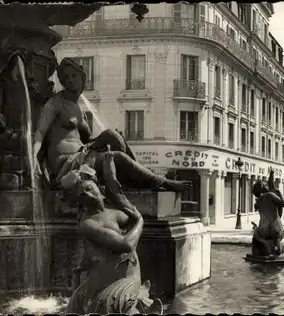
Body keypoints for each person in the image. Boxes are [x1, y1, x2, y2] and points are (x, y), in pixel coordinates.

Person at [34, 57, 191, 194]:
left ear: (82, 78)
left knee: (112, 135)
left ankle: (132, 180)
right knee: (119, 157)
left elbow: (89, 139)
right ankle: (161, 182)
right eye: (65, 77)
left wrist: (113, 138)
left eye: (73, 75)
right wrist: (33, 157)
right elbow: (40, 133)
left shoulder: (78, 109)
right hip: (66, 163)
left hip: (82, 154)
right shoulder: (55, 103)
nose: (69, 80)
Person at [62, 167, 152, 314]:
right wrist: (140, 221)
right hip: (112, 281)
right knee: (118, 307)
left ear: (97, 185)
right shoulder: (88, 223)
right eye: (83, 195)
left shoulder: (114, 207)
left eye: (89, 188)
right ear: (79, 201)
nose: (89, 195)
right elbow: (126, 244)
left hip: (128, 274)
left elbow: (115, 184)